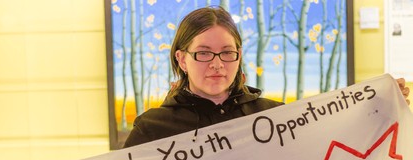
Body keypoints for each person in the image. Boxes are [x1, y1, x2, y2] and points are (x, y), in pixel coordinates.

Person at [123, 6, 410, 148]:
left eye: (227, 52)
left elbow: (330, 158)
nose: (217, 64)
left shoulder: (276, 118)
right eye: (203, 53)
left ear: (238, 56)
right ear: (182, 59)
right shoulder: (152, 129)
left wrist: (380, 111)